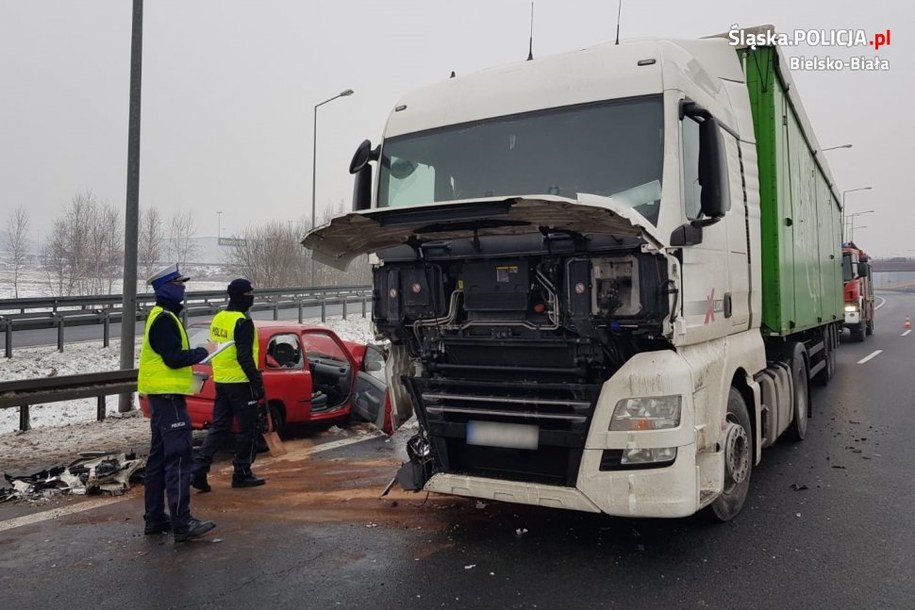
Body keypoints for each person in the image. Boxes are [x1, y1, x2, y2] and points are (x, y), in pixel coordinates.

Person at [140, 264, 217, 543]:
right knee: (180, 458)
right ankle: (182, 522)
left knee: (159, 460)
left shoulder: (163, 316)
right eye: (179, 283)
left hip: (163, 397)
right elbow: (173, 357)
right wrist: (202, 352)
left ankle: (155, 519)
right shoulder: (164, 319)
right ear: (166, 288)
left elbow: (167, 361)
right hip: (169, 400)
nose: (183, 288)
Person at [192, 278, 267, 491]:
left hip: (222, 380)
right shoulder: (242, 322)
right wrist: (257, 381)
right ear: (242, 296)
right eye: (249, 294)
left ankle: (199, 468)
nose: (252, 297)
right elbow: (244, 356)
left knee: (220, 427)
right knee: (248, 429)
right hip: (241, 382)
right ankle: (242, 473)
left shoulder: (219, 318)